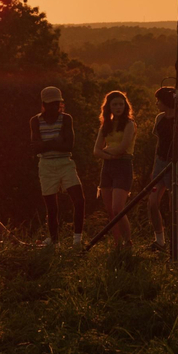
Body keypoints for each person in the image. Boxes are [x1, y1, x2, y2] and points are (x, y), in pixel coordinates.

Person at [31, 85, 86, 248]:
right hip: (46, 165)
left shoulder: (66, 118)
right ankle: (54, 240)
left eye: (56, 103)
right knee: (52, 207)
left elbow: (69, 146)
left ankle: (77, 239)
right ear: (44, 104)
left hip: (65, 163)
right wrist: (56, 142)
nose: (54, 107)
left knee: (79, 200)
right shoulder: (35, 120)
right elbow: (36, 147)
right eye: (50, 104)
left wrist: (46, 144)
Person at [145, 85, 178, 251]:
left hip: (177, 164)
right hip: (160, 164)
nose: (157, 103)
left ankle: (176, 245)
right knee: (152, 203)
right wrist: (154, 169)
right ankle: (159, 241)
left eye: (159, 100)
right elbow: (159, 144)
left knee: (175, 206)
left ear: (166, 101)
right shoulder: (159, 118)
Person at [93, 90, 137, 249]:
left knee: (118, 208)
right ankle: (117, 244)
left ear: (125, 106)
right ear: (109, 107)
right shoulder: (106, 125)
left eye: (121, 104)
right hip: (108, 167)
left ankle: (128, 242)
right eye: (114, 104)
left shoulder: (130, 124)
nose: (118, 107)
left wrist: (106, 151)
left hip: (124, 166)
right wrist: (109, 155)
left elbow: (123, 148)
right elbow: (95, 150)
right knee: (110, 211)